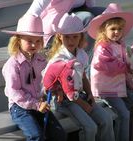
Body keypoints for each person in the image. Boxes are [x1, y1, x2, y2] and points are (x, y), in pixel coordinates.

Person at [42, 13, 115, 141]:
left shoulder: (81, 55)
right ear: (60, 37)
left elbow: (83, 77)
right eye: (67, 37)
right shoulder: (59, 59)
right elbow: (55, 85)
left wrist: (90, 95)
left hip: (80, 96)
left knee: (106, 119)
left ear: (80, 37)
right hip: (65, 101)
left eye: (75, 37)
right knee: (90, 127)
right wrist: (82, 104)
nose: (71, 41)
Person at [1, 14, 66, 141]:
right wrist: (36, 105)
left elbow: (49, 80)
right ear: (18, 40)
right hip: (20, 108)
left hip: (39, 103)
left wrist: (57, 89)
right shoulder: (13, 65)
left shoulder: (41, 60)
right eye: (29, 41)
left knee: (59, 134)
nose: (33, 45)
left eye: (37, 41)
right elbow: (15, 92)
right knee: (36, 135)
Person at [87, 3, 133, 141]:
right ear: (103, 30)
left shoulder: (120, 44)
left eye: (119, 29)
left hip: (119, 86)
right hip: (106, 88)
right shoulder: (102, 48)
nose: (117, 32)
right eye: (113, 28)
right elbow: (107, 65)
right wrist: (127, 66)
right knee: (123, 114)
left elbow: (126, 62)